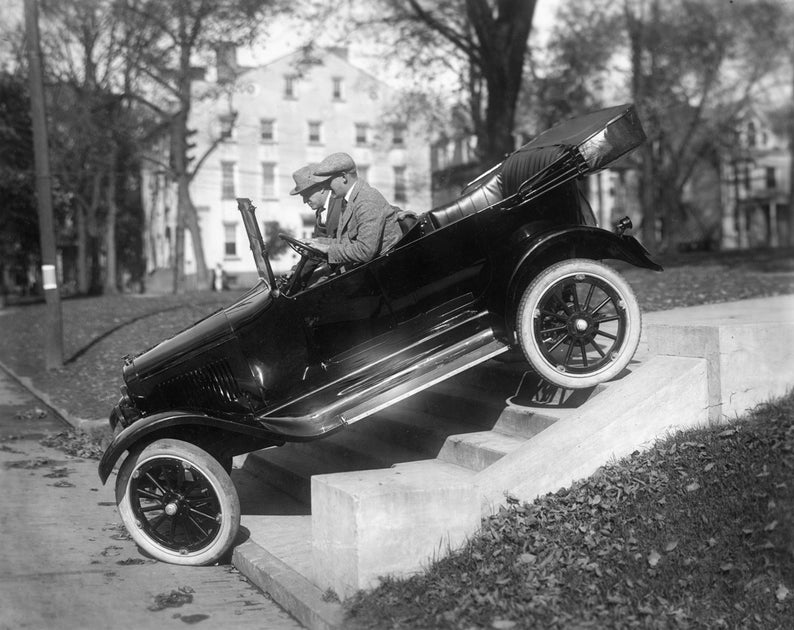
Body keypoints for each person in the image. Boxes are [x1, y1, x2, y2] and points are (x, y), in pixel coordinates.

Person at [305, 152, 401, 266]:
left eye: (328, 182)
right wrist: (317, 242)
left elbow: (365, 251)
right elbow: (345, 241)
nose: (325, 187)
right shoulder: (349, 200)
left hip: (387, 267)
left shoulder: (366, 200)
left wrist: (327, 249)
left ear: (344, 177)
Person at [289, 163, 343, 240]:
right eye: (303, 196)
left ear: (322, 188)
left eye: (307, 195)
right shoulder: (321, 211)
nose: (304, 201)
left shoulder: (341, 206)